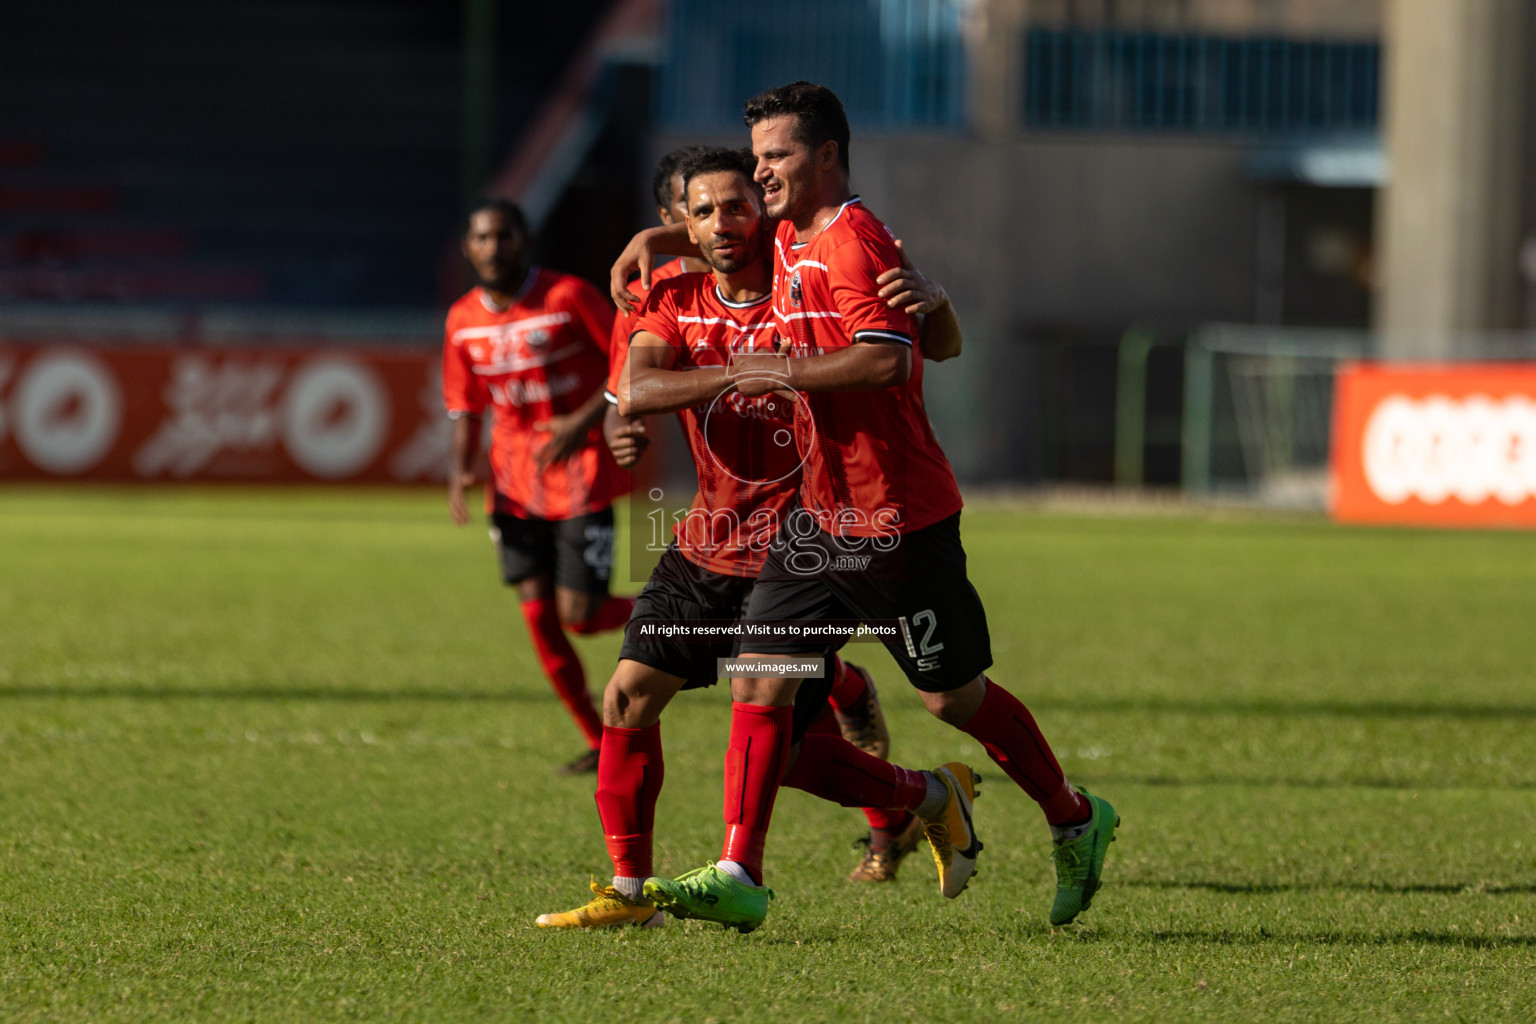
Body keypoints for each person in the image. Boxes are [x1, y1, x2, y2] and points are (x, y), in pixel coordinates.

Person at [631, 83, 1119, 933]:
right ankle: (740, 870)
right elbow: (736, 228)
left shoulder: (855, 243)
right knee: (759, 675)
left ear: (825, 157)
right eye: (757, 159)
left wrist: (760, 372)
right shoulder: (787, 234)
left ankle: (1074, 815)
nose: (761, 173)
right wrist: (659, 234)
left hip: (897, 516)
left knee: (951, 697)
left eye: (775, 156)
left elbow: (889, 363)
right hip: (821, 515)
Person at [534, 148, 979, 932]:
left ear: (765, 212)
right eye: (697, 213)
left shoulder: (801, 274)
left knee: (789, 744)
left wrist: (931, 305)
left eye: (734, 205)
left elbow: (900, 345)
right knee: (630, 695)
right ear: (680, 223)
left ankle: (893, 805)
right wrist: (719, 383)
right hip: (706, 540)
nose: (718, 224)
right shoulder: (663, 289)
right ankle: (630, 893)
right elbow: (631, 390)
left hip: (803, 548)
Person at [443, 198, 635, 775]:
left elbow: (628, 354)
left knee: (581, 613)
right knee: (539, 618)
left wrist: (585, 420)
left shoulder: (567, 297)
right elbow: (464, 405)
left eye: (504, 236)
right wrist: (461, 468)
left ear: (524, 241)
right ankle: (598, 742)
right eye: (482, 237)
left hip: (580, 476)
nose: (493, 247)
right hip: (512, 484)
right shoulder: (461, 319)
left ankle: (698, 618)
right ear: (467, 248)